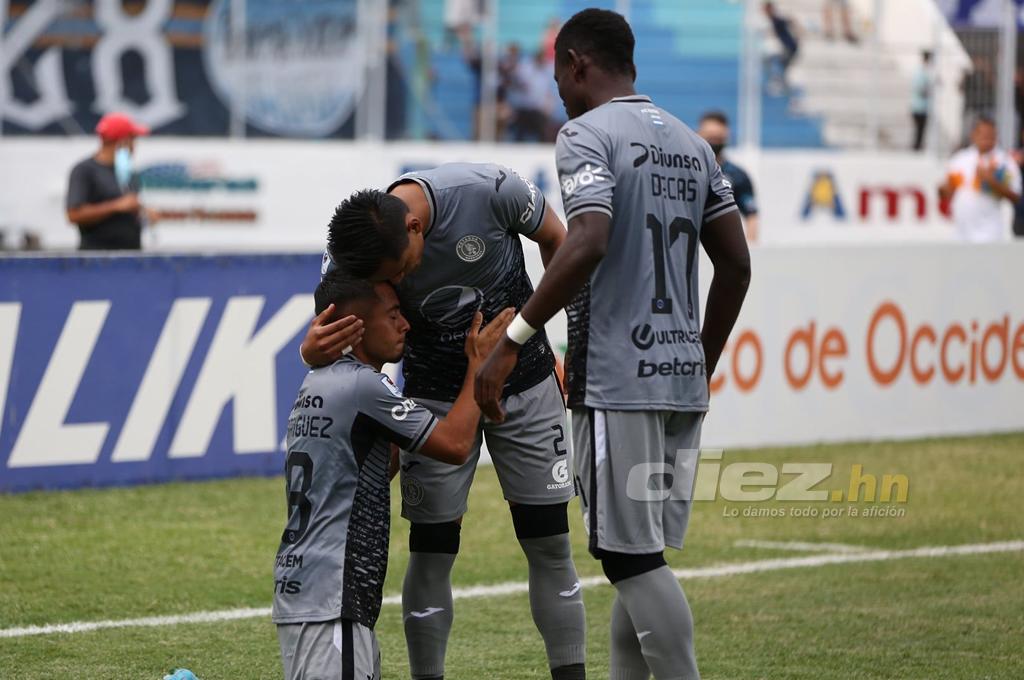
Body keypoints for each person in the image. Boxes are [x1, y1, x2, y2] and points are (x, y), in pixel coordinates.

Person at [474, 9, 751, 680]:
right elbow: (737, 266)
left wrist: (513, 337)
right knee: (643, 554)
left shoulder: (585, 134)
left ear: (577, 64)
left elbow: (588, 238)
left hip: (617, 379)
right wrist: (699, 361)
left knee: (629, 560)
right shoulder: (694, 143)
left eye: (559, 74)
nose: (559, 89)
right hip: (679, 375)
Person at [301, 179, 587, 680]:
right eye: (397, 278)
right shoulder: (353, 249)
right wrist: (312, 351)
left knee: (549, 541)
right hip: (433, 396)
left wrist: (539, 340)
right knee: (432, 549)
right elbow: (340, 320)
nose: (407, 278)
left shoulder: (490, 190)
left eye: (402, 267)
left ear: (416, 228)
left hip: (525, 378)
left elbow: (563, 246)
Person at [274, 274, 513, 680]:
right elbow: (455, 446)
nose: (405, 324)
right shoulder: (362, 386)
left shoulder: (319, 381)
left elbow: (370, 470)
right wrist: (477, 367)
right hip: (333, 597)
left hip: (310, 590)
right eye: (394, 315)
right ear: (357, 327)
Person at [65, 112, 154, 250]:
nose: (134, 146)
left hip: (131, 257)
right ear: (122, 141)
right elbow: (73, 214)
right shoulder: (84, 170)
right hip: (95, 260)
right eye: (132, 139)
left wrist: (144, 214)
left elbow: (129, 210)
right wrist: (116, 206)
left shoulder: (130, 173)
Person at [939, 116, 1022, 242]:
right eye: (982, 134)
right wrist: (943, 190)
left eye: (990, 135)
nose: (986, 139)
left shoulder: (1004, 161)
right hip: (961, 231)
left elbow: (1016, 196)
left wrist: (991, 181)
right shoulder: (960, 158)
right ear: (973, 135)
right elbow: (946, 193)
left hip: (990, 232)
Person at [698, 110, 760, 242]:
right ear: (699, 135)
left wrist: (751, 246)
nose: (714, 144)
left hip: (722, 248)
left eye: (718, 139)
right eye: (710, 138)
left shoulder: (738, 175)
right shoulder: (687, 170)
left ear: (726, 137)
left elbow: (751, 215)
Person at [763, 2, 800, 94]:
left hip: (790, 48)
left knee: (776, 64)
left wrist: (798, 33)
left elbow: (790, 21)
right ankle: (784, 86)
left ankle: (783, 86)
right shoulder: (774, 20)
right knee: (780, 66)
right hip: (789, 47)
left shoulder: (776, 19)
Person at [911, 51, 933, 151]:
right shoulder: (921, 72)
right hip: (919, 106)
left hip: (921, 106)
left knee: (921, 129)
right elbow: (920, 89)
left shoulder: (923, 71)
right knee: (919, 128)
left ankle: (918, 146)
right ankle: (917, 147)